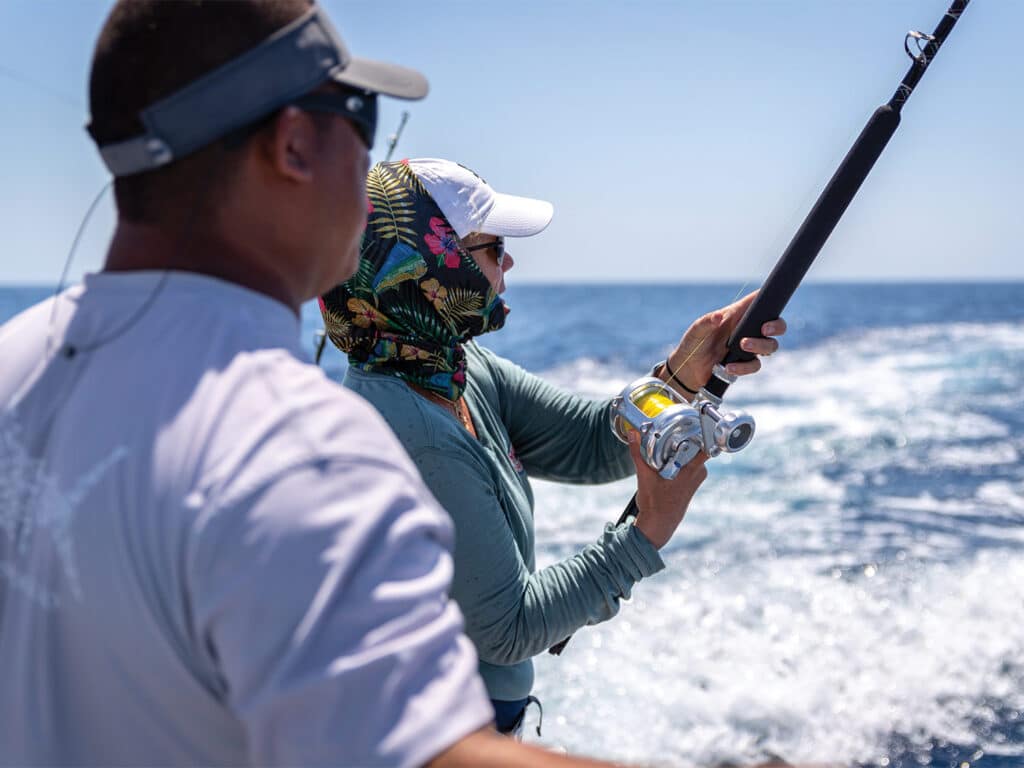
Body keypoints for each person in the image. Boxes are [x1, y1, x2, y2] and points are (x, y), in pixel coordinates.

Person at [0, 3, 684, 766]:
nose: (373, 182)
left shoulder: (11, 364)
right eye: (360, 117)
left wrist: (686, 372)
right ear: (294, 143)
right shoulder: (301, 446)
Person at [320, 158, 787, 733]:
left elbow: (590, 442)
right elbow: (509, 629)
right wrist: (651, 529)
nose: (508, 260)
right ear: (434, 266)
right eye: (493, 248)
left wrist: (691, 367)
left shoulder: (453, 369)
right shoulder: (417, 438)